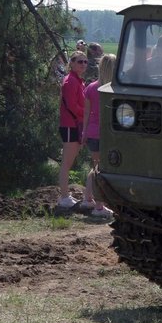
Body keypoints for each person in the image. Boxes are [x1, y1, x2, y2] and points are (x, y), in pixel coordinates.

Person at [80, 54, 116, 219]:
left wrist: (84, 133)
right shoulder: (115, 89)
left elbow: (86, 113)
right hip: (108, 134)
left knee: (95, 167)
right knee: (101, 170)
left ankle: (88, 199)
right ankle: (99, 207)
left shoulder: (91, 88)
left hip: (93, 133)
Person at [57, 51, 88, 210]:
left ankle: (65, 195)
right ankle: (63, 197)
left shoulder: (78, 81)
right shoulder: (70, 81)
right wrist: (87, 114)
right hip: (70, 125)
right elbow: (72, 106)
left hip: (75, 124)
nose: (83, 64)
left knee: (69, 162)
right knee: (66, 163)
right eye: (80, 61)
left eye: (85, 62)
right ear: (72, 63)